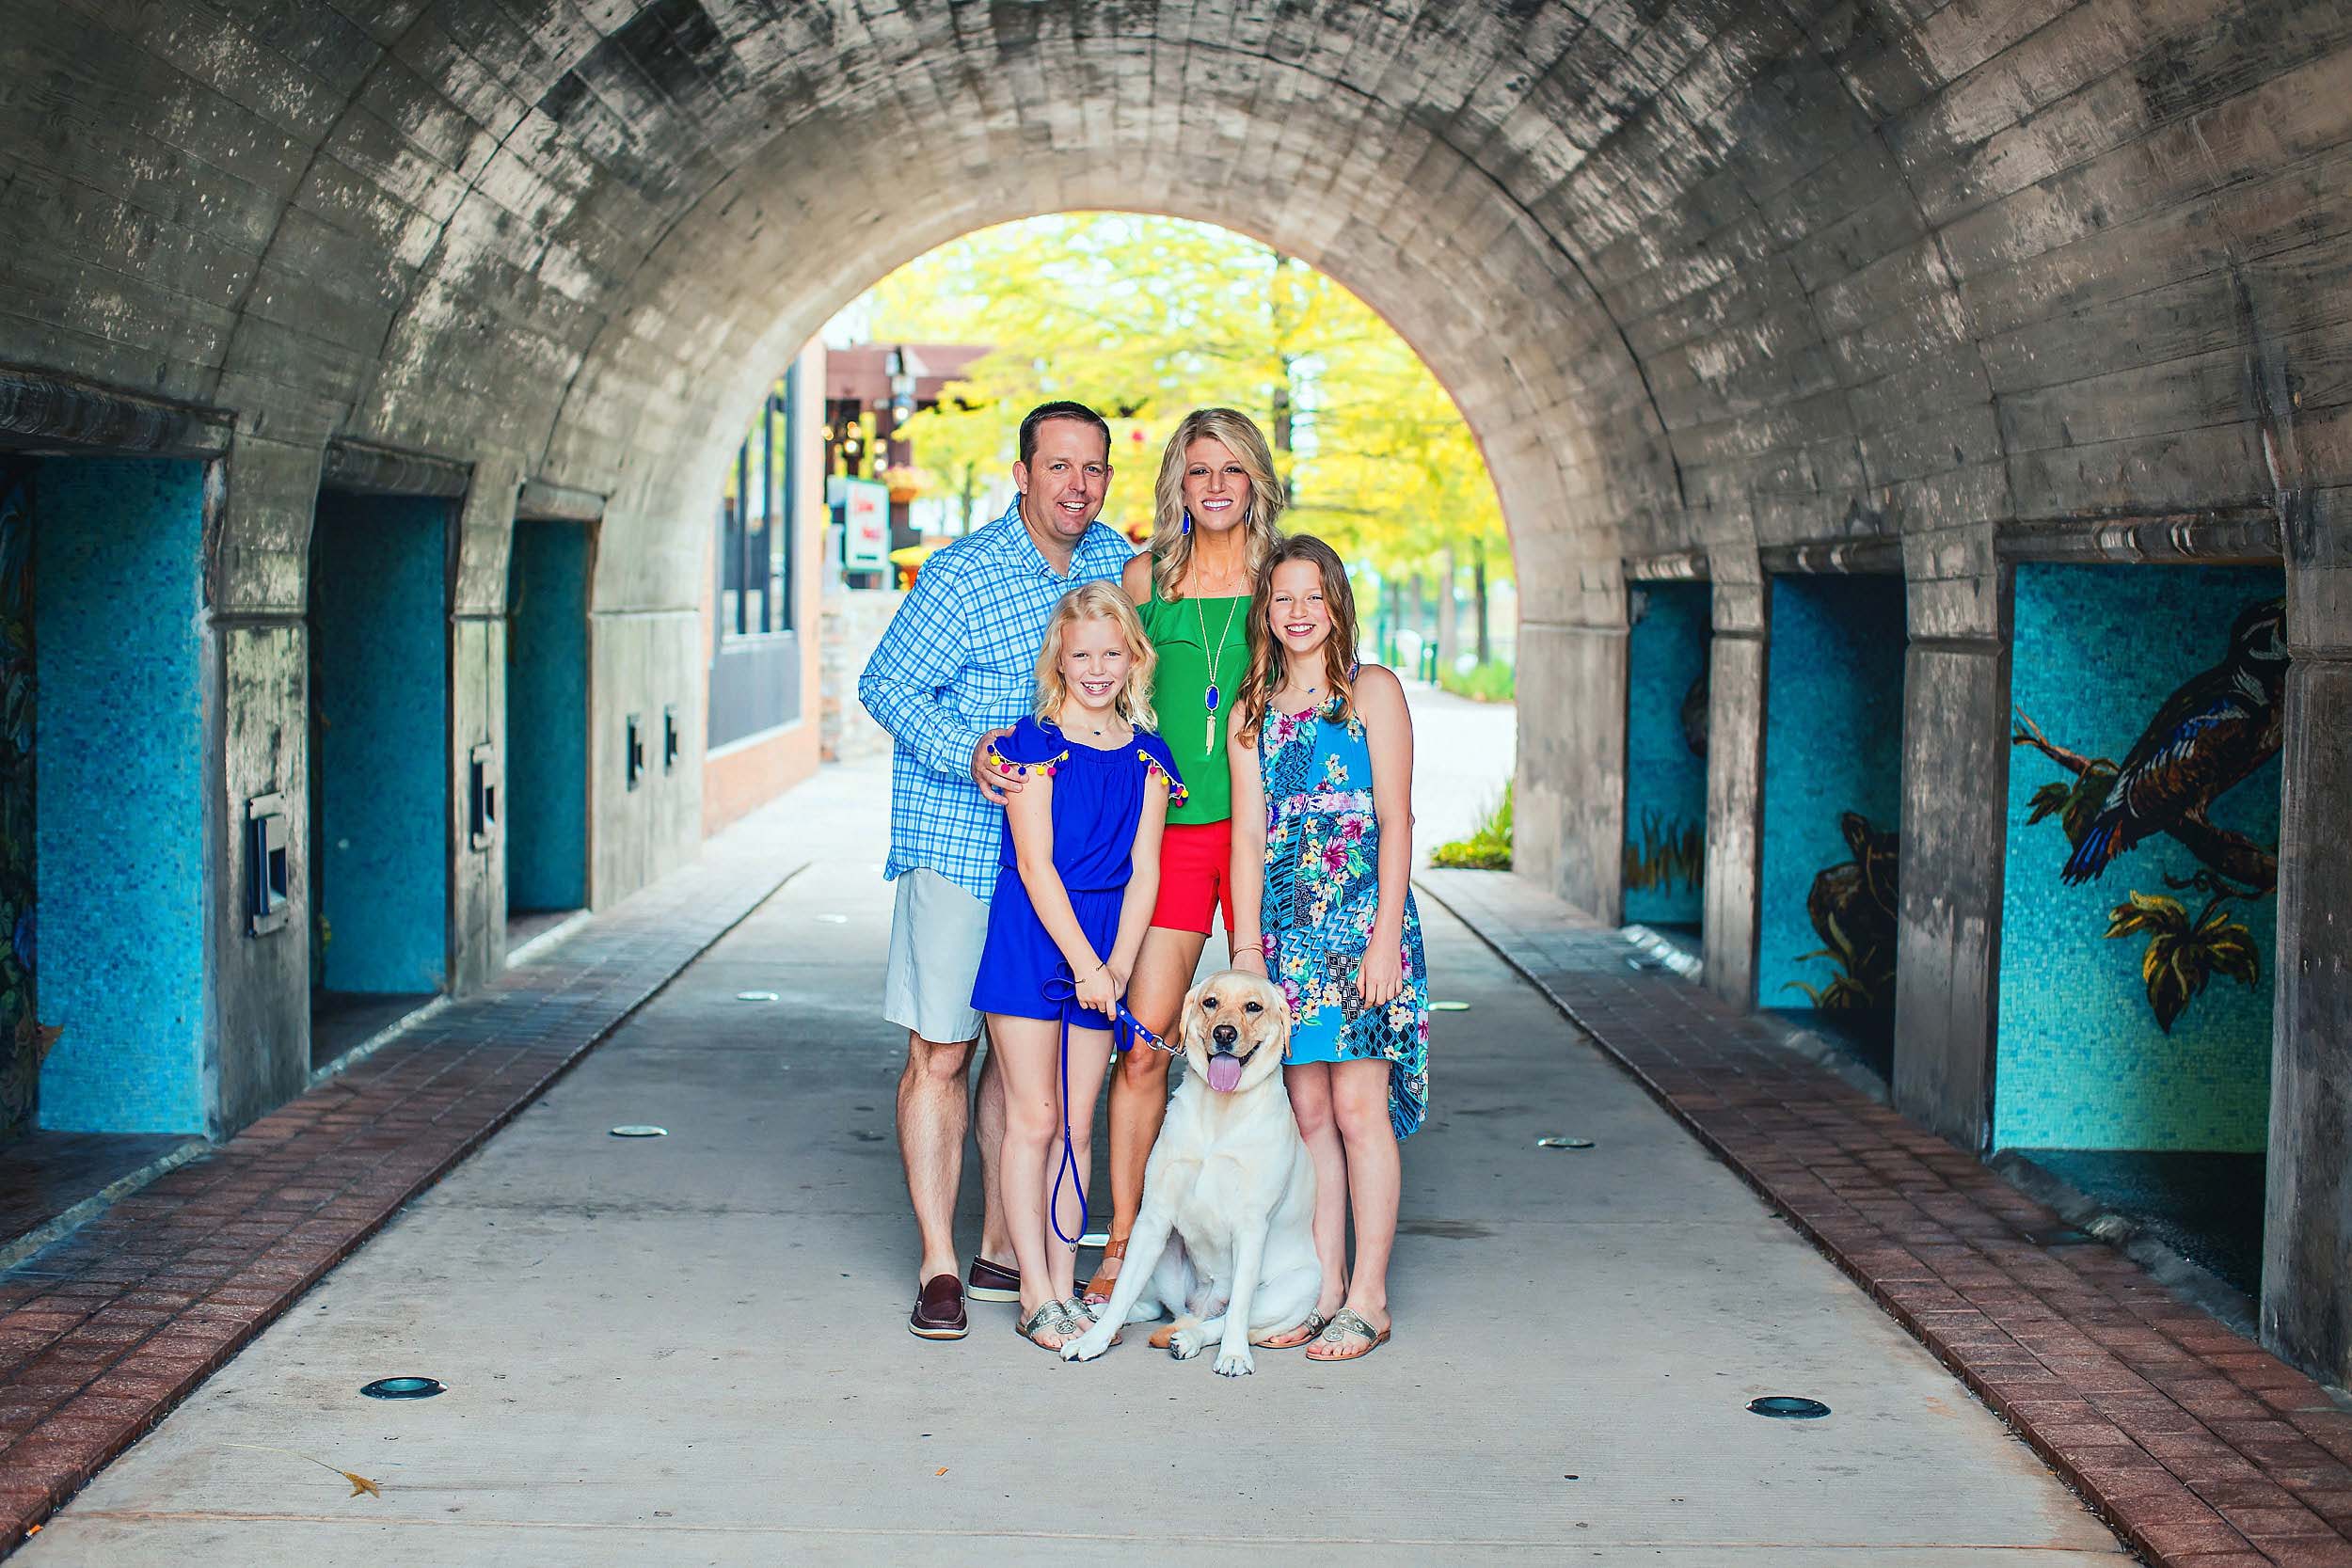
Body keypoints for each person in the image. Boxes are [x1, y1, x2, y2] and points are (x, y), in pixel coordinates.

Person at [858, 402, 1134, 1341]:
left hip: (1062, 869)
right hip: (963, 847)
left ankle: (1001, 1245)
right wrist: (962, 749)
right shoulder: (960, 574)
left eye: (1092, 468)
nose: (1077, 485)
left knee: (1029, 1072)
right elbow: (884, 683)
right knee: (942, 1048)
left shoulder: (1115, 565)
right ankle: (939, 1261)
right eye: (1058, 466)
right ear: (1021, 473)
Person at [1085, 407, 1285, 1311]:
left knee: (1280, 1049)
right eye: (1199, 470)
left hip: (1257, 836)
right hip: (1166, 837)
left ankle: (1279, 1257)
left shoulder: (1283, 581)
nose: (1215, 487)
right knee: (1145, 1048)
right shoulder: (1143, 578)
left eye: (1232, 471)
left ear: (1256, 483)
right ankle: (1126, 1239)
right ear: (1178, 481)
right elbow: (1103, 688)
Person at [1229, 532, 1430, 1362]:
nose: (1299, 612)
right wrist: (1246, 949)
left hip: (1362, 931)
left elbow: (1396, 820)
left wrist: (1385, 938)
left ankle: (1371, 1300)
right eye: (1283, 598)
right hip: (1288, 937)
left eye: (1314, 596)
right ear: (1267, 612)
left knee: (1357, 1109)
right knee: (1308, 1111)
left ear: (1337, 603)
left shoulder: (1371, 691)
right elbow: (1247, 837)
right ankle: (1326, 1287)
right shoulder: (1250, 711)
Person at [973, 584, 1184, 1351]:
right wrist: (1087, 964)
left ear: (1134, 659)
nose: (1097, 667)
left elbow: (1145, 870)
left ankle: (1066, 1283)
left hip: (1105, 944)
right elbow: (1034, 866)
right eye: (1082, 652)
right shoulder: (1031, 747)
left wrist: (1120, 964)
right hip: (1037, 935)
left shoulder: (1150, 758)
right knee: (1031, 1117)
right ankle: (1034, 1291)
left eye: (1112, 652)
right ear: (1059, 657)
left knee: (1074, 1125)